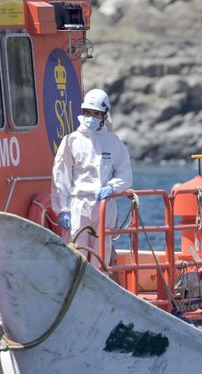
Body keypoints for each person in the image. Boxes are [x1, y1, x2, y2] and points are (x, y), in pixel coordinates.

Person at [52, 88, 133, 264]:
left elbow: (125, 173)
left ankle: (98, 287)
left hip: (104, 204)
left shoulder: (113, 142)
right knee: (75, 255)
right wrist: (62, 209)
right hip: (78, 205)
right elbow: (61, 176)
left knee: (101, 256)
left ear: (104, 115)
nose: (91, 117)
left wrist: (112, 187)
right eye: (87, 112)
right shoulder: (71, 140)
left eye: (96, 113)